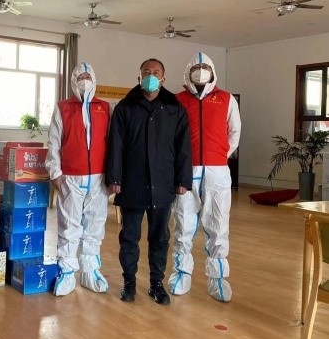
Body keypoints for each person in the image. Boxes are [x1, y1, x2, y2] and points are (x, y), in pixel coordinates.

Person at [106, 58, 192, 305]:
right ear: (139, 77)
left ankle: (156, 284)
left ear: (163, 78)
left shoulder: (174, 108)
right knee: (129, 237)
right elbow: (116, 144)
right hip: (132, 183)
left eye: (156, 72)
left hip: (163, 184)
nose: (151, 75)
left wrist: (183, 179)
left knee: (160, 238)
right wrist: (114, 177)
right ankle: (129, 283)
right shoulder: (125, 107)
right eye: (146, 72)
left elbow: (183, 147)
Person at [168, 53, 241, 302]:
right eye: (196, 67)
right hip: (185, 170)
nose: (200, 70)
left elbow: (234, 132)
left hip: (217, 170)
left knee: (218, 224)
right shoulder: (177, 100)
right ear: (188, 71)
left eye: (205, 67)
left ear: (212, 71)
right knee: (183, 223)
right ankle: (181, 274)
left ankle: (218, 278)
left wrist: (219, 154)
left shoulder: (227, 99)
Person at [45, 63, 111, 296]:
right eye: (80, 77)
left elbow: (112, 142)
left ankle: (90, 270)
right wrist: (55, 171)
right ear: (73, 81)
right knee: (69, 224)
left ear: (94, 79)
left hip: (99, 177)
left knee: (95, 224)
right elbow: (54, 141)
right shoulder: (63, 108)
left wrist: (113, 175)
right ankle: (67, 271)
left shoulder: (105, 107)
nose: (84, 80)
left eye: (87, 76)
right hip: (71, 176)